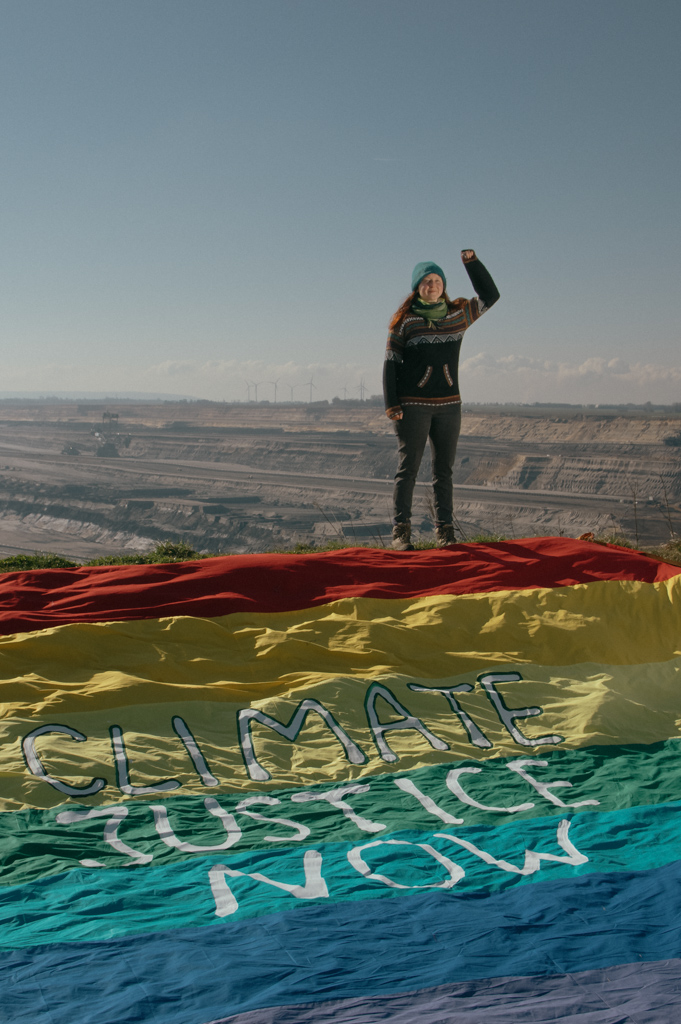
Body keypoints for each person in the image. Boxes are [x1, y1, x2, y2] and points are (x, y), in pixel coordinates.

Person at [383, 249, 499, 550]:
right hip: (413, 406)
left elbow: (491, 294)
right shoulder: (404, 322)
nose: (432, 285)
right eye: (426, 281)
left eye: (437, 280)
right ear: (416, 288)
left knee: (443, 471)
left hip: (449, 406)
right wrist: (392, 404)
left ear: (444, 285)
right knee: (408, 469)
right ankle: (401, 532)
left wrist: (471, 263)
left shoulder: (458, 315)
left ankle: (445, 531)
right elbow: (390, 364)